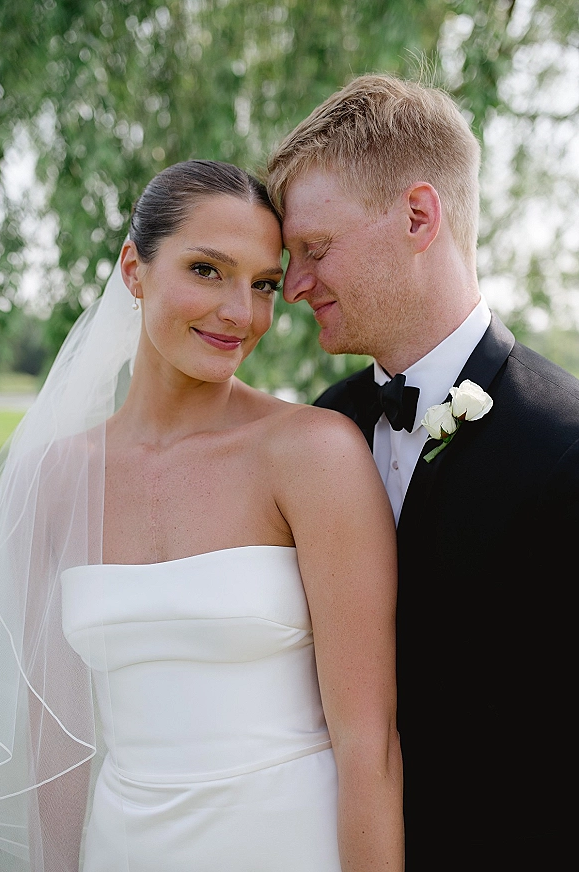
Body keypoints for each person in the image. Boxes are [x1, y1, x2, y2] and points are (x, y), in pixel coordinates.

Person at [0, 160, 404, 872]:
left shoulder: (313, 454)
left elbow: (369, 747)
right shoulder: (54, 478)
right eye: (207, 270)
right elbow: (56, 748)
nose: (240, 314)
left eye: (263, 285)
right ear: (134, 268)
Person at [267, 74, 579, 870]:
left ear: (417, 216)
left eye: (316, 250)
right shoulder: (319, 428)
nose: (295, 287)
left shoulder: (566, 445)